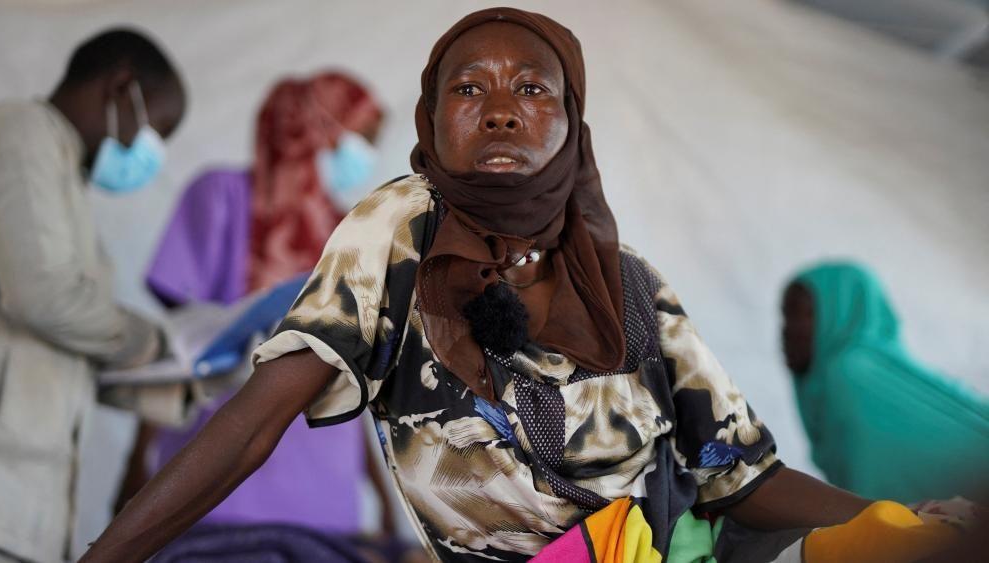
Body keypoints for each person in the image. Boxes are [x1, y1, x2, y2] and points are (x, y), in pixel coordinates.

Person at [81, 9, 962, 563]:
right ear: (431, 124)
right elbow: (253, 420)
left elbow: (737, 473)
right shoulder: (396, 232)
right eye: (469, 88)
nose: (501, 107)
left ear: (572, 125)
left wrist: (896, 519)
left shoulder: (632, 289)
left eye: (532, 88)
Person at [115, 72, 398, 544]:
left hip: (324, 502)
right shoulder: (220, 197)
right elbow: (177, 348)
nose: (364, 156)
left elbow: (350, 381)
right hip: (211, 486)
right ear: (320, 129)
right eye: (362, 139)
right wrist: (136, 468)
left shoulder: (350, 233)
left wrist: (379, 493)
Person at [0, 28, 186, 562]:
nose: (150, 156)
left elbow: (63, 352)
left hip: (25, 510)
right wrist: (155, 342)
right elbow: (44, 299)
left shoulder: (60, 170)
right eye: (156, 132)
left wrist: (185, 378)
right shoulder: (21, 132)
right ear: (122, 87)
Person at [782, 261, 989, 504]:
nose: (788, 331)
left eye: (804, 313)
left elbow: (875, 498)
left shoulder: (847, 373)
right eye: (786, 316)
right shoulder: (857, 372)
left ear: (840, 312)